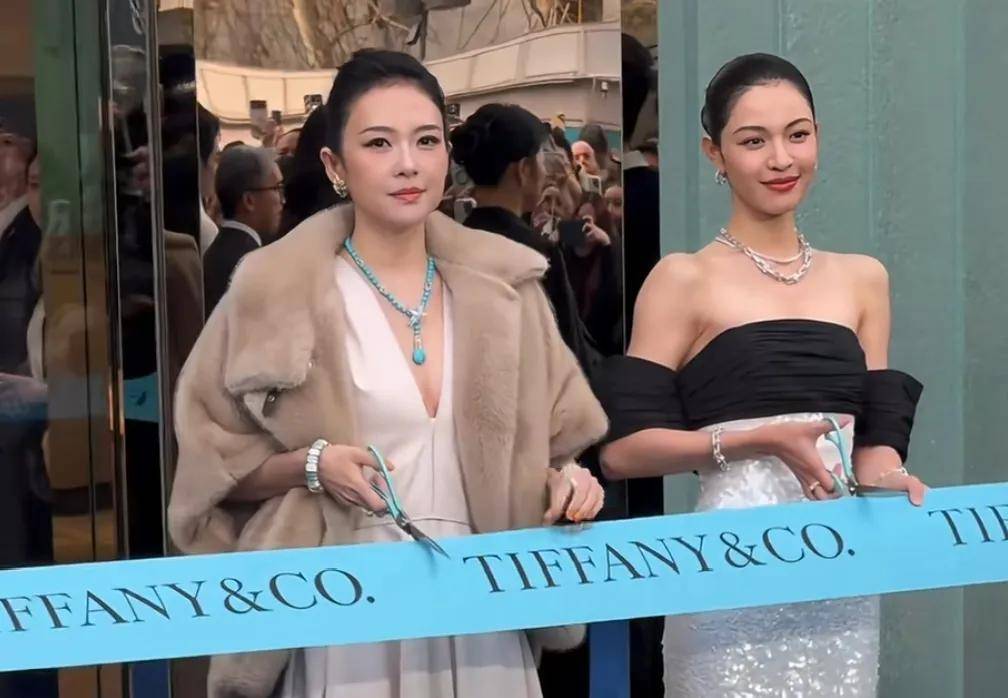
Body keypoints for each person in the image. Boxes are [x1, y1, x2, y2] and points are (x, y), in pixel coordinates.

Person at [169, 49, 608, 698]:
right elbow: (210, 476)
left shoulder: (505, 288)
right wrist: (312, 465)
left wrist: (568, 481)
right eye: (379, 143)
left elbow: (553, 448)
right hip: (348, 615)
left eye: (426, 140)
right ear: (335, 165)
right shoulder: (275, 292)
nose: (408, 163)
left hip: (483, 614)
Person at [595, 53, 927, 697]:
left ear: (818, 137)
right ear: (714, 154)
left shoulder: (864, 278)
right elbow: (622, 452)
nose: (781, 159)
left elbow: (874, 444)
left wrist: (890, 480)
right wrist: (755, 440)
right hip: (730, 574)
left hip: (839, 574)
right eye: (753, 141)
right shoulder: (682, 279)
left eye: (797, 135)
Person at [451, 103, 597, 375]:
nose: (546, 172)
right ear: (524, 169)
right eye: (542, 161)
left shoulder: (454, 244)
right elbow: (570, 355)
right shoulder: (537, 254)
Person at [203, 145, 283, 315]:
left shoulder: (212, 254)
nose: (282, 200)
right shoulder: (256, 266)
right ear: (249, 201)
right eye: (276, 188)